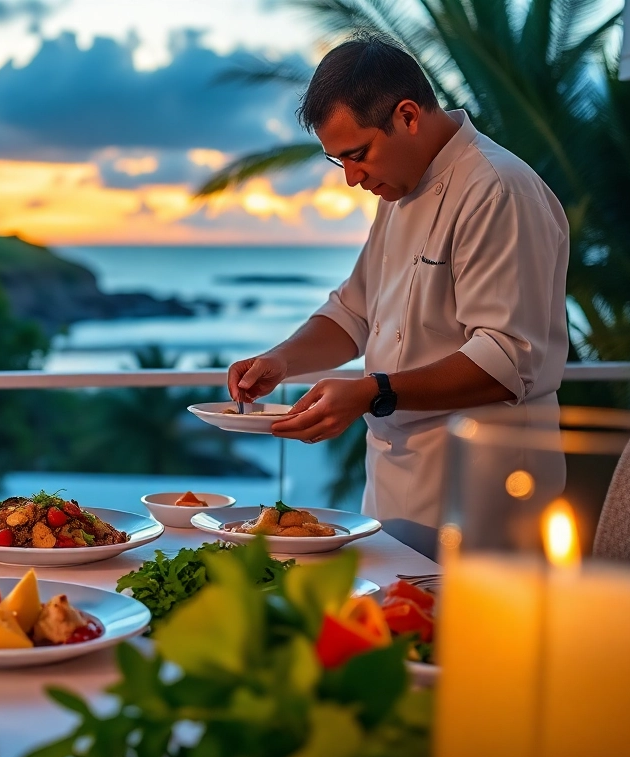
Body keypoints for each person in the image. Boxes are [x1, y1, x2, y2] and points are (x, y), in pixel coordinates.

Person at [228, 34, 569, 548]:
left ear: (408, 116)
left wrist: (373, 391)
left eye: (358, 154)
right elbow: (354, 312)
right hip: (394, 490)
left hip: (485, 492)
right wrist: (280, 361)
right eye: (337, 161)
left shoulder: (497, 189)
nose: (350, 178)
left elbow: (506, 359)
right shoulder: (401, 187)